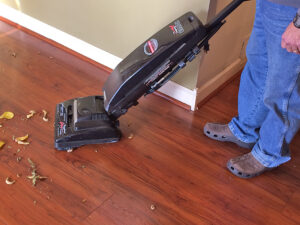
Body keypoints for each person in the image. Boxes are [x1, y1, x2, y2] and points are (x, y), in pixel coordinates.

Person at [204, 0, 300, 178]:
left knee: (284, 86)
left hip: (293, 10)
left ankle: (268, 153)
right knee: (259, 64)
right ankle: (245, 130)